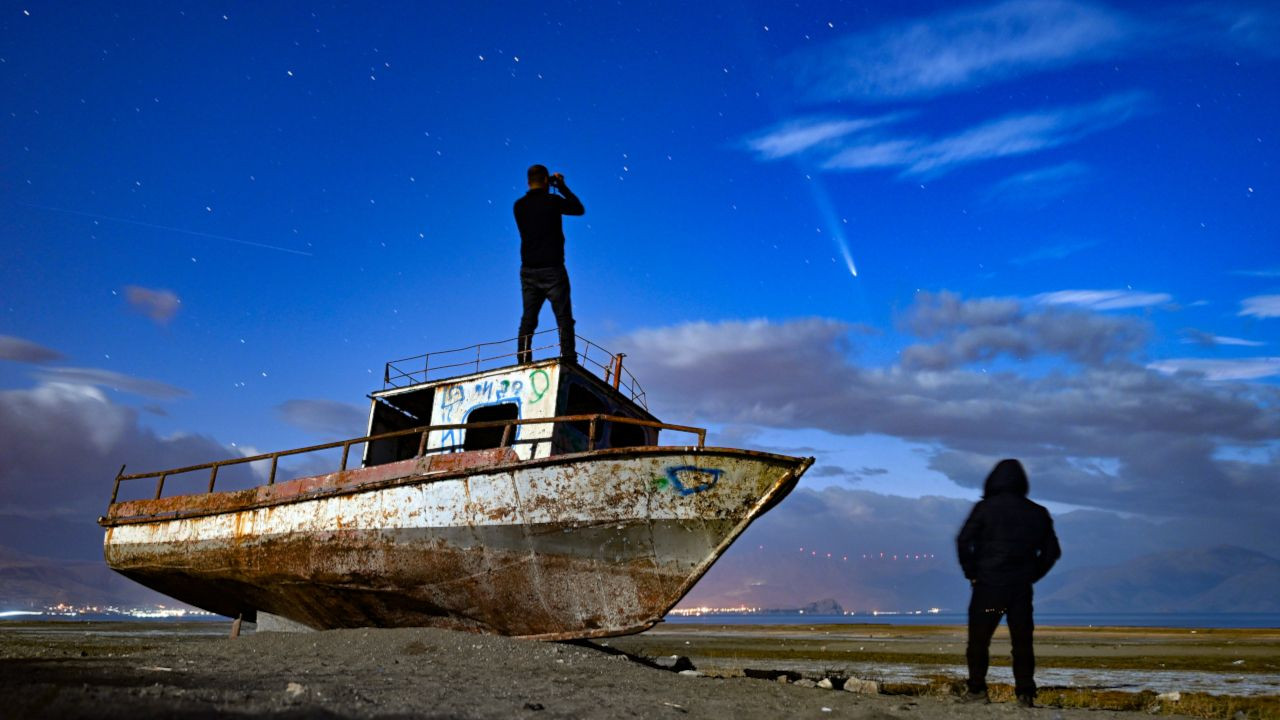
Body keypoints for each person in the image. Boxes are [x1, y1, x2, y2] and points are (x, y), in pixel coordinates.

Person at [956, 458, 1061, 708]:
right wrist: (1032, 574)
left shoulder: (984, 509)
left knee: (979, 641)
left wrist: (972, 572)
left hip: (987, 589)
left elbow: (963, 541)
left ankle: (977, 690)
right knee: (1022, 642)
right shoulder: (1037, 513)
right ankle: (1025, 694)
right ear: (1022, 482)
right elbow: (1052, 552)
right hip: (1020, 590)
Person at [513, 164, 585, 364]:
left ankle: (522, 360)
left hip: (528, 270)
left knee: (528, 319)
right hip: (553, 269)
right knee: (563, 318)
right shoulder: (553, 201)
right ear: (546, 180)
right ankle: (569, 358)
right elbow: (578, 208)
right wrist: (561, 186)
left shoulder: (519, 206)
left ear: (528, 182)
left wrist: (549, 186)